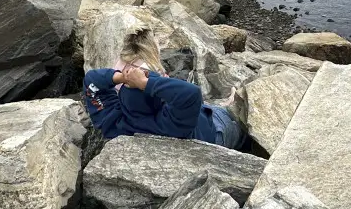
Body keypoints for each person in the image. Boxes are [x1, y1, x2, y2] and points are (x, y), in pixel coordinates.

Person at [82, 29, 246, 149]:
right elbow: (190, 94)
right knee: (237, 120)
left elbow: (91, 80)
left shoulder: (115, 121)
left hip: (195, 113)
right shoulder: (167, 123)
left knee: (212, 105)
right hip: (213, 130)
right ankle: (232, 109)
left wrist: (120, 78)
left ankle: (226, 104)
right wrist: (146, 83)